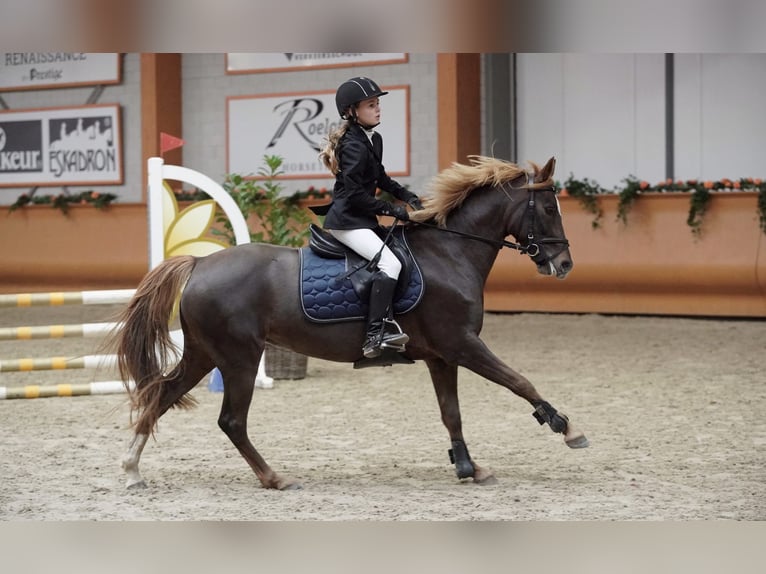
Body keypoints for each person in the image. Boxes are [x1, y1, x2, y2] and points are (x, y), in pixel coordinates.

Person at [319, 76, 423, 359]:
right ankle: (375, 334)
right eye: (371, 105)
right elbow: (354, 196)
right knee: (389, 263)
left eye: (377, 104)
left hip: (361, 219)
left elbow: (381, 178)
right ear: (351, 111)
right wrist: (392, 210)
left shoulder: (373, 139)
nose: (378, 110)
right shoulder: (352, 145)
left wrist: (408, 196)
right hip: (347, 221)